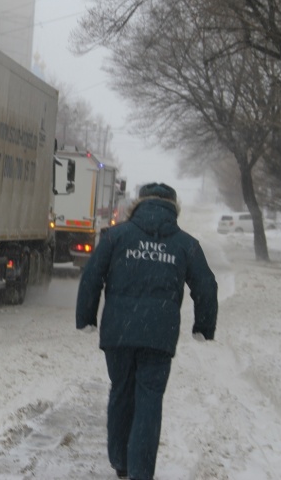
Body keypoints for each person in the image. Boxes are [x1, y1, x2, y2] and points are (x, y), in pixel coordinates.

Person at [76, 182, 218, 480]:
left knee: (121, 392)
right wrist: (203, 326)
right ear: (173, 208)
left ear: (138, 205)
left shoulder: (116, 237)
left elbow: (91, 277)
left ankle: (120, 461)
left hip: (119, 333)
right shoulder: (185, 244)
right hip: (159, 335)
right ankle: (141, 471)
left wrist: (87, 317)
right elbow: (205, 285)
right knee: (150, 400)